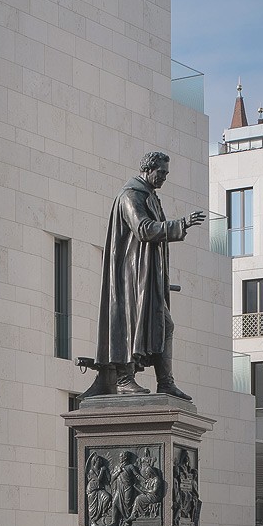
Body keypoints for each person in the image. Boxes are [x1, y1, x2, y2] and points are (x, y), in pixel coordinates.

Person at [88, 150, 207, 400]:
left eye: (166, 173)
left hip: (146, 275)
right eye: (161, 172)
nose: (164, 177)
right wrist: (181, 224)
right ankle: (124, 378)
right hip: (131, 278)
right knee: (131, 323)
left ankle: (165, 382)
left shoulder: (150, 196)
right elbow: (143, 229)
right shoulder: (131, 195)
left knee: (162, 324)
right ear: (147, 169)